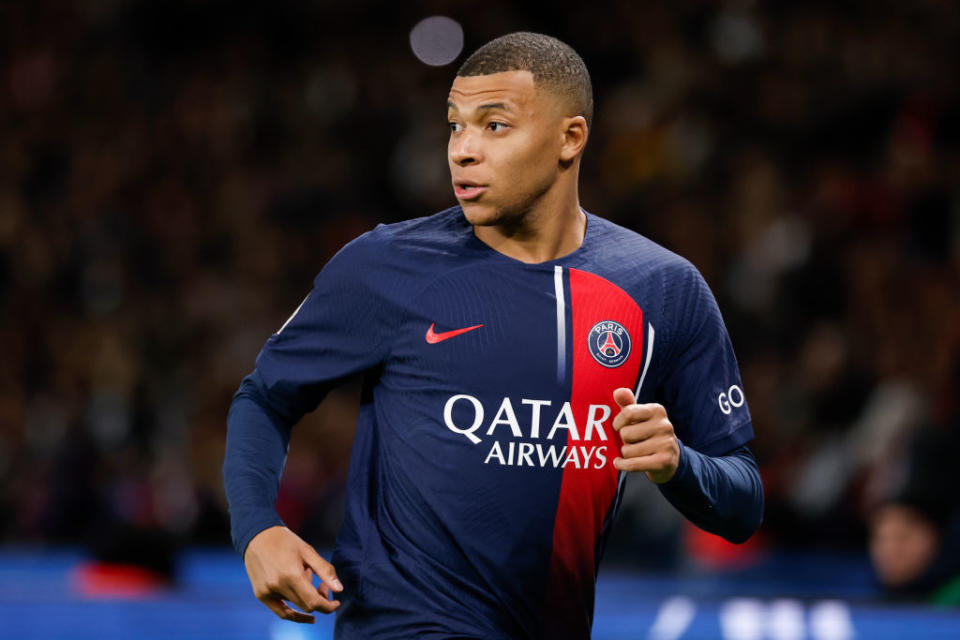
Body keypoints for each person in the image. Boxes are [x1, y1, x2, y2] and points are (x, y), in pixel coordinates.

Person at [223, 32, 764, 639]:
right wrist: (257, 530)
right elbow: (265, 396)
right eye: (455, 126)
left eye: (494, 125)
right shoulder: (384, 267)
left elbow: (743, 503)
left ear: (570, 138)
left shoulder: (661, 289)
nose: (462, 150)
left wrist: (678, 467)